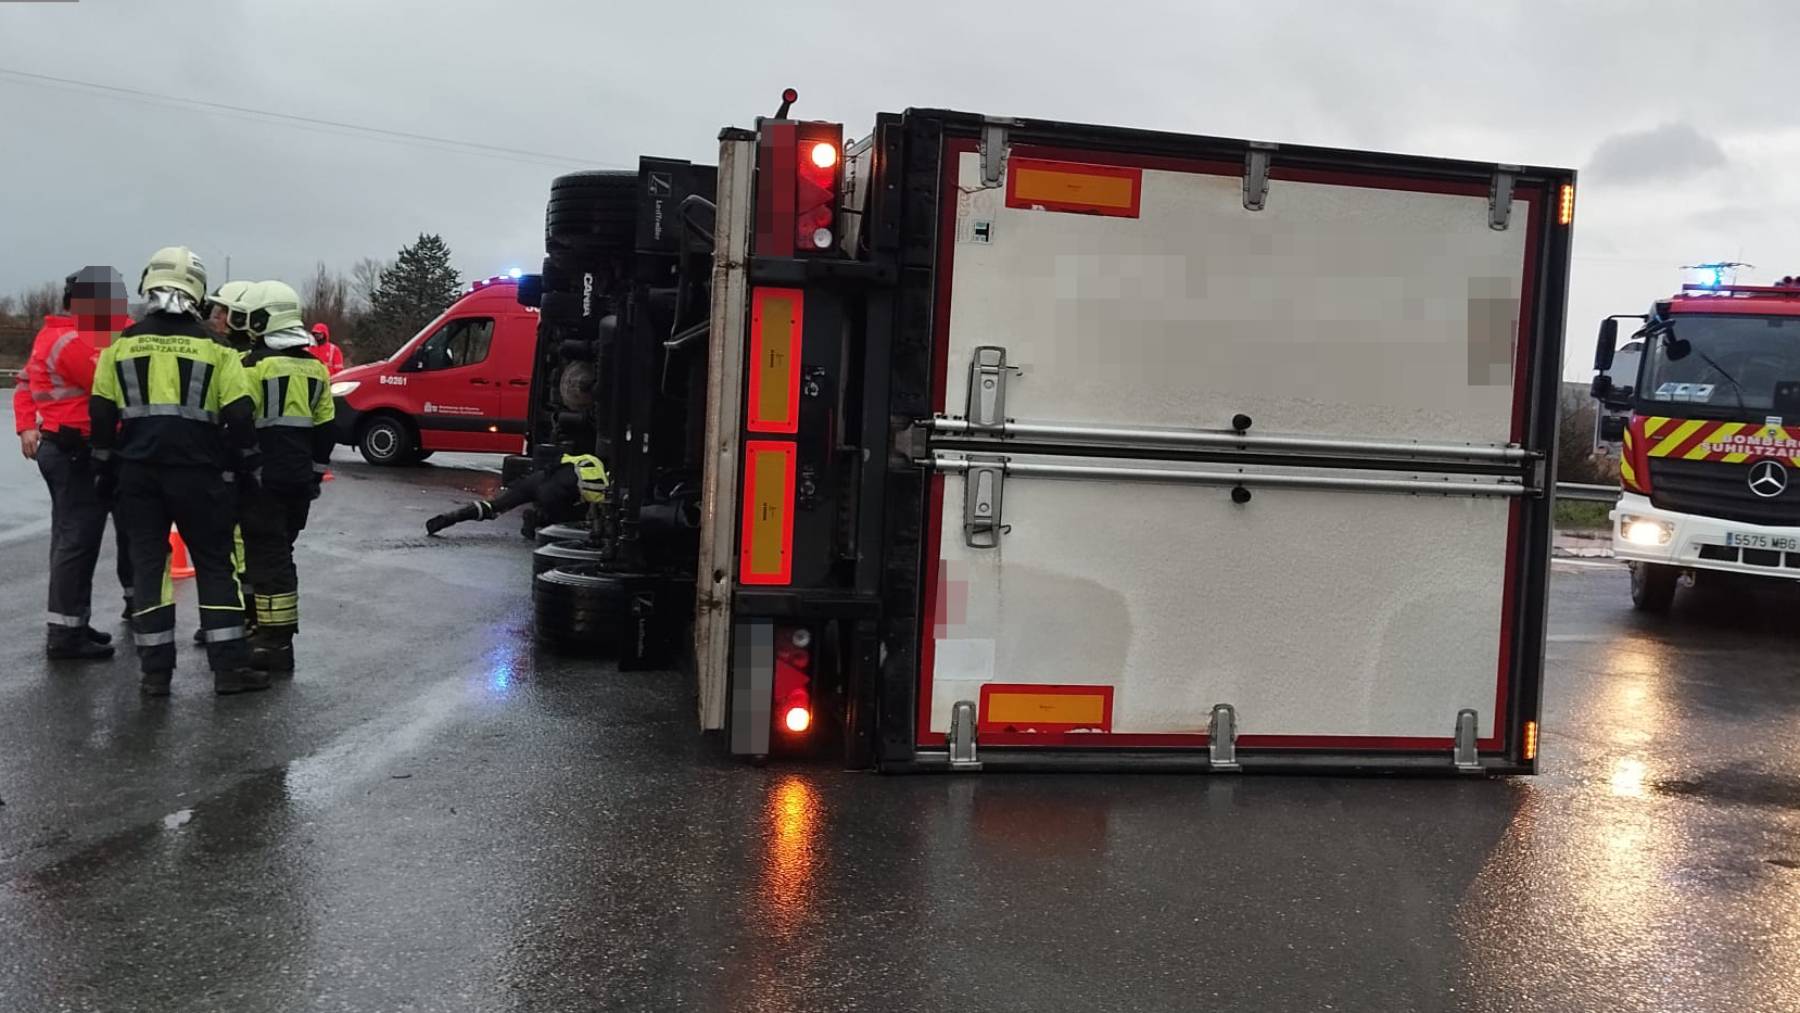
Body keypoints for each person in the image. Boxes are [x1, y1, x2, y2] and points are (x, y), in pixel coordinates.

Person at [90, 246, 267, 696]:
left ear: (149, 283)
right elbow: (241, 417)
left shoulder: (121, 346)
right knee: (214, 565)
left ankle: (155, 674)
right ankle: (228, 669)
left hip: (137, 475)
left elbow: (100, 413)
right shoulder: (218, 348)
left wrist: (103, 469)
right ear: (199, 290)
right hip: (200, 474)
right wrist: (247, 468)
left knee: (150, 568)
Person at [23, 267, 134, 659]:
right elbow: (110, 380)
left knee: (73, 539)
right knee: (77, 541)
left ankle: (74, 623)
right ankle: (66, 635)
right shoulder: (69, 340)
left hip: (71, 447)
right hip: (74, 449)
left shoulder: (71, 334)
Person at [234, 280, 334, 676]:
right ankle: (270, 632)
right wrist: (313, 473)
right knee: (281, 552)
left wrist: (245, 466)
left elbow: (239, 420)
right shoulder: (317, 368)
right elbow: (326, 428)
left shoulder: (253, 366)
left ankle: (274, 642)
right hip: (299, 481)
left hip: (263, 480)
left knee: (266, 557)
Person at [424, 452, 608, 536]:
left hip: (537, 479)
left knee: (495, 507)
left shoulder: (589, 460)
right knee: (568, 523)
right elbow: (599, 509)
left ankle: (451, 518)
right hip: (553, 495)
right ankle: (536, 519)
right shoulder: (603, 485)